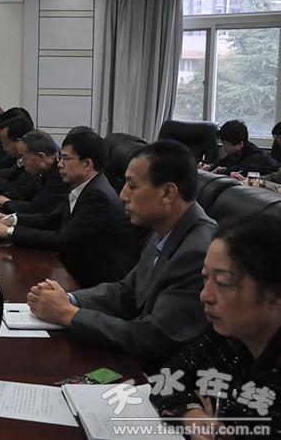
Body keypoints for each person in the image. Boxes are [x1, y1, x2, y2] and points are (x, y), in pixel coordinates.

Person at [26, 140, 216, 370]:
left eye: (132, 186)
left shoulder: (199, 252)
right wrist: (68, 300)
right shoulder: (165, 230)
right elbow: (128, 292)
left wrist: (69, 315)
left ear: (167, 193)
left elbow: (153, 338)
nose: (123, 194)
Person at [151, 217, 281, 436]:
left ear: (275, 295)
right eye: (205, 278)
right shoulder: (227, 336)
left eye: (222, 283)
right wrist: (190, 413)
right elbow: (164, 378)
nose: (205, 295)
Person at [0, 127, 140, 288]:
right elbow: (51, 218)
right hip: (75, 269)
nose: (60, 164)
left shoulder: (98, 197)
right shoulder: (84, 187)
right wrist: (13, 219)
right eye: (60, 158)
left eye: (66, 159)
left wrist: (10, 232)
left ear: (87, 164)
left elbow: (62, 239)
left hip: (96, 283)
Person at [0, 129, 70, 215]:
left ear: (41, 157)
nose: (21, 163)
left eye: (23, 157)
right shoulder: (43, 171)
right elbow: (24, 193)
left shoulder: (60, 176)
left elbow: (37, 208)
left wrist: (7, 203)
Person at [200, 119, 279, 176]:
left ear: (240, 144)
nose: (224, 148)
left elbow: (237, 170)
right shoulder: (237, 151)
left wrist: (221, 170)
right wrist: (209, 166)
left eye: (226, 145)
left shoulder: (256, 156)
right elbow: (222, 162)